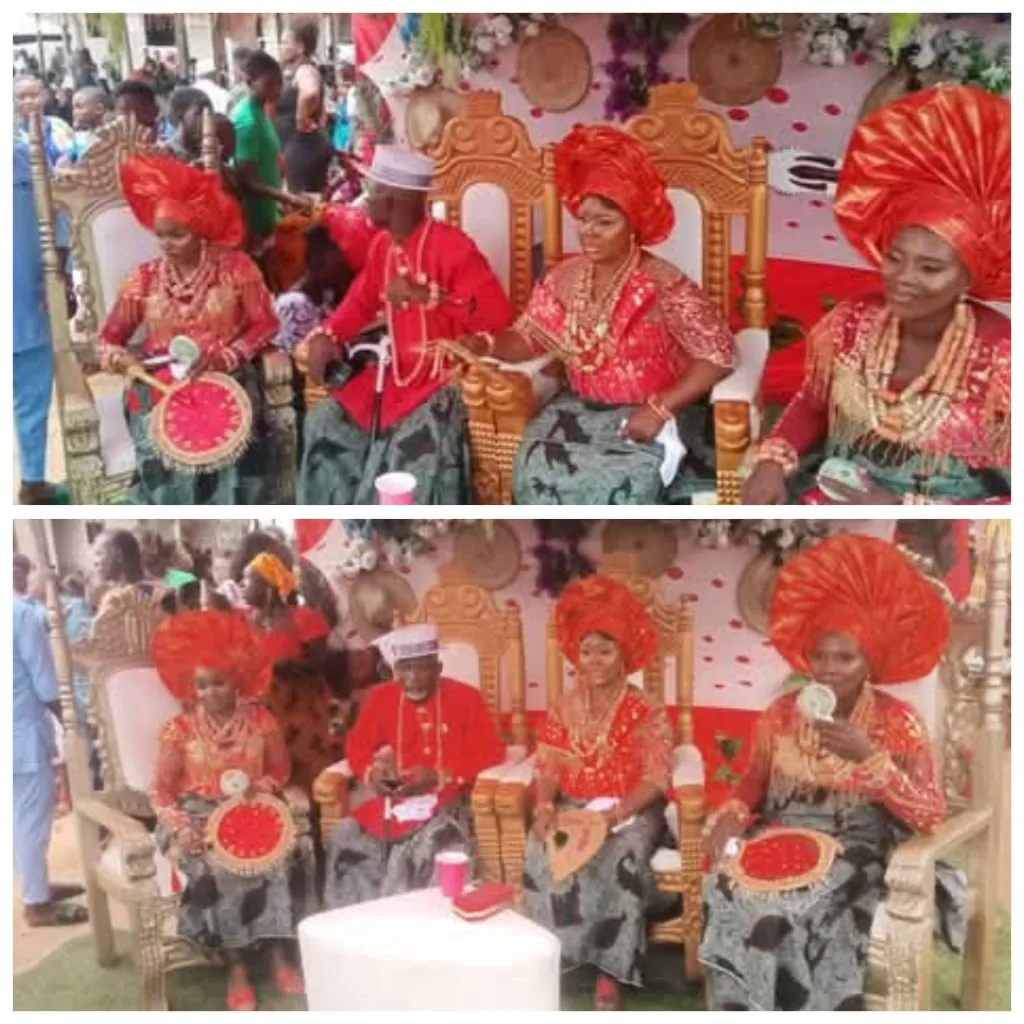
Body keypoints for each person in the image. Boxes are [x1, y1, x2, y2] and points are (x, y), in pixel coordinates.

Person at [700, 534, 960, 1010]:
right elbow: (753, 782)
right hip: (779, 834)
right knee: (723, 884)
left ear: (868, 662)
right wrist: (732, 815)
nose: (828, 668)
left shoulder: (897, 721)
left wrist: (871, 758)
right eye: (819, 656)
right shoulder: (781, 713)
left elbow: (929, 813)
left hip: (856, 844)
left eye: (845, 658)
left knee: (790, 906)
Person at [743, 86, 1010, 506]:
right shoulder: (852, 321)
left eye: (930, 268)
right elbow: (813, 403)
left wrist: (899, 508)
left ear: (967, 278)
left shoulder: (1004, 359)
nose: (903, 278)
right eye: (894, 258)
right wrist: (772, 462)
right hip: (830, 489)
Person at [453, 125, 735, 504]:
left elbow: (718, 356)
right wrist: (485, 343)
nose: (589, 231)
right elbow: (529, 338)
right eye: (583, 219)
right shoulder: (564, 277)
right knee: (535, 471)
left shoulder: (663, 283)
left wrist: (659, 408)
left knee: (619, 484)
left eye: (605, 222)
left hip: (648, 416)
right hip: (576, 411)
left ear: (633, 226)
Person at [298, 145, 513, 503]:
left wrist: (427, 296)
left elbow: (498, 316)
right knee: (324, 423)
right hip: (396, 377)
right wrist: (327, 334)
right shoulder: (382, 245)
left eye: (373, 191)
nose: (365, 200)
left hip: (445, 382)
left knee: (405, 446)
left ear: (395, 200)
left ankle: (383, 527)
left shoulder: (455, 248)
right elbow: (359, 302)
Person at [522, 576, 673, 1010]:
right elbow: (549, 764)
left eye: (605, 651)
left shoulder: (645, 708)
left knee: (619, 857)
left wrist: (616, 813)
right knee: (542, 850)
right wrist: (545, 804)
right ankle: (558, 957)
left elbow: (657, 776)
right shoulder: (564, 705)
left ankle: (611, 970)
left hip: (632, 810)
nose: (595, 661)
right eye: (587, 651)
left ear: (624, 654)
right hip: (573, 805)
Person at [150, 610, 312, 1010]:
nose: (211, 692)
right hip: (195, 814)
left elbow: (279, 770)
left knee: (278, 858)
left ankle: (278, 954)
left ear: (237, 680)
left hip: (252, 808)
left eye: (219, 682)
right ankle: (235, 965)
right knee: (218, 867)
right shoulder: (178, 730)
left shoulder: (261, 720)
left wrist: (260, 789)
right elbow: (160, 791)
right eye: (202, 685)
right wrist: (180, 826)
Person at [97, 152, 279, 505]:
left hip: (226, 375)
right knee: (160, 441)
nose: (167, 244)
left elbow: (266, 324)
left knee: (232, 440)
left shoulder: (236, 268)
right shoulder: (144, 278)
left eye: (178, 235)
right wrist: (119, 359)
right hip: (159, 383)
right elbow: (108, 340)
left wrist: (227, 357)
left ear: (200, 232)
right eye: (161, 236)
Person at [324, 624, 505, 907]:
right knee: (345, 834)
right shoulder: (382, 697)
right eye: (405, 669)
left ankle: (415, 923)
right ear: (396, 670)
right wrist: (373, 774)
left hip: (450, 801)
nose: (413, 679)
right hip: (396, 800)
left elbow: (491, 752)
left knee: (422, 846)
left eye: (422, 669)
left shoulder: (466, 697)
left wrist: (440, 776)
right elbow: (357, 745)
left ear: (438, 668)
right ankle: (358, 922)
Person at [13, 554, 89, 928]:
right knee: (32, 819)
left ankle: (36, 885)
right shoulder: (20, 615)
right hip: (21, 736)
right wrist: (72, 723)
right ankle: (37, 904)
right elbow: (46, 683)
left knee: (18, 816)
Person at [242, 551, 336, 797]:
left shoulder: (304, 618)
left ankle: (316, 812)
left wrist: (290, 667)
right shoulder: (247, 622)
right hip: (264, 710)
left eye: (249, 580)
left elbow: (323, 663)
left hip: (302, 708)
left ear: (268, 586)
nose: (243, 586)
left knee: (307, 767)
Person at [13, 137, 74, 505]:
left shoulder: (25, 155)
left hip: (30, 301)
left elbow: (59, 218)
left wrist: (60, 278)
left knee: (33, 398)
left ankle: (32, 481)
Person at [232, 50, 310, 254]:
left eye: (279, 82)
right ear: (250, 82)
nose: (277, 89)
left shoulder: (261, 111)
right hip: (254, 215)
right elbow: (246, 182)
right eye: (269, 84)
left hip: (268, 207)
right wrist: (288, 198)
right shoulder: (247, 121)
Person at [275, 19, 333, 196]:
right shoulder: (295, 71)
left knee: (303, 202)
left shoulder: (304, 70)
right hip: (300, 148)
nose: (280, 47)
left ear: (300, 48)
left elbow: (310, 92)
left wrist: (301, 117)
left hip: (304, 149)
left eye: (285, 42)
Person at [15, 73, 75, 166]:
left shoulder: (59, 125)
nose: (28, 101)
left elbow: (77, 151)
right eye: (21, 97)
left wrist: (69, 157)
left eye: (33, 96)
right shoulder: (14, 136)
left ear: (43, 97)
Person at [163, 86, 213, 163]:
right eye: (198, 114)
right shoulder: (166, 153)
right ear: (180, 114)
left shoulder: (208, 152)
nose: (204, 121)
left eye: (208, 115)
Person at [62, 85, 107, 164]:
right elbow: (63, 164)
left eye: (79, 107)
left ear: (99, 109)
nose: (74, 112)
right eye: (73, 108)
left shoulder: (112, 137)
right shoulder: (77, 140)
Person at [226, 45, 252, 117]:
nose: (232, 70)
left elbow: (231, 118)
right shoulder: (261, 86)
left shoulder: (236, 93)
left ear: (237, 66)